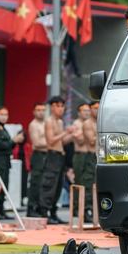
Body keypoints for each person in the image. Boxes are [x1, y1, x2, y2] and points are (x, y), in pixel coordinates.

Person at [39, 96, 76, 224]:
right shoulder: (49, 121)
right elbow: (50, 141)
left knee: (58, 186)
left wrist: (71, 135)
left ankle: (53, 213)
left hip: (60, 155)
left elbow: (61, 142)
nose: (60, 109)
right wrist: (66, 132)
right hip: (52, 155)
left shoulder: (60, 122)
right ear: (52, 108)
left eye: (62, 106)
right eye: (58, 106)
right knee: (49, 185)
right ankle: (44, 213)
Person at [0, 107, 24, 218]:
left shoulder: (4, 129)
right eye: (2, 115)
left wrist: (15, 141)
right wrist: (12, 140)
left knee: (4, 185)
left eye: (6, 115)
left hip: (6, 160)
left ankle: (1, 209)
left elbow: (9, 146)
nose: (4, 117)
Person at [71, 103, 94, 217]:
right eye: (83, 110)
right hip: (80, 155)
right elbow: (80, 140)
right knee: (80, 181)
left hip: (89, 155)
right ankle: (77, 207)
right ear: (78, 112)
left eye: (87, 110)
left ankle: (85, 207)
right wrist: (87, 134)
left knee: (88, 182)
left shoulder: (90, 123)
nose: (86, 112)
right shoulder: (77, 124)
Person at [26, 102, 47, 217]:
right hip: (38, 155)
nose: (41, 112)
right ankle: (31, 207)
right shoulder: (33, 125)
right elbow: (37, 143)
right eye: (38, 110)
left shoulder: (45, 124)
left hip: (45, 155)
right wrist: (51, 143)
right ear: (34, 112)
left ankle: (40, 207)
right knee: (36, 183)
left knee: (43, 183)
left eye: (43, 110)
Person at [81, 101, 99, 219]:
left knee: (98, 183)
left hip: (100, 155)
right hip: (90, 155)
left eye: (98, 108)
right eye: (94, 108)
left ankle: (96, 209)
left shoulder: (101, 121)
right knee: (89, 182)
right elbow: (92, 140)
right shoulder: (87, 123)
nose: (97, 110)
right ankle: (87, 209)